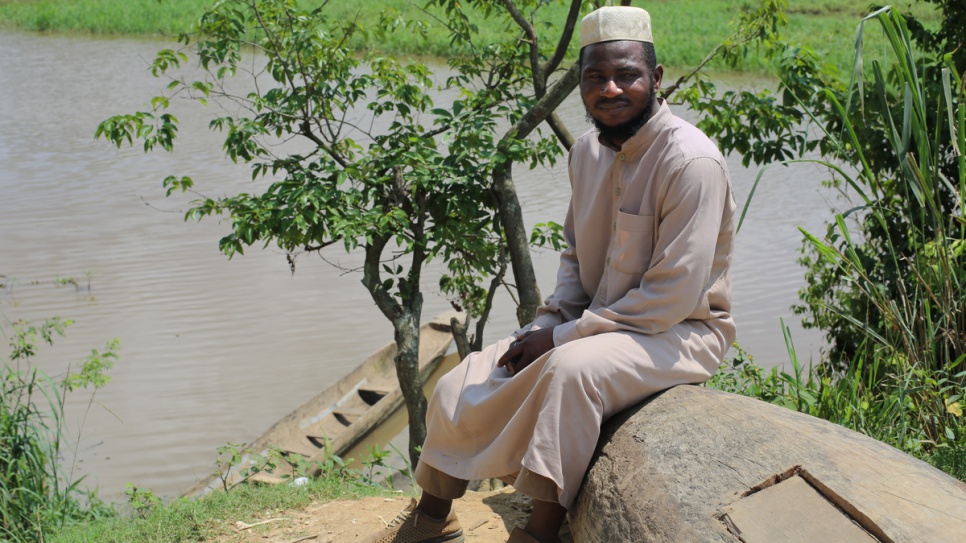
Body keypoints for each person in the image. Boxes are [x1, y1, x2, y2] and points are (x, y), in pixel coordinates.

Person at [359, 5, 736, 543]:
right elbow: (576, 260)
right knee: (460, 379)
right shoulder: (587, 153)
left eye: (626, 75)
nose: (610, 89)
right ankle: (431, 521)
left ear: (654, 79)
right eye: (594, 78)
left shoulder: (691, 162)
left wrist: (561, 337)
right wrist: (550, 321)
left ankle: (536, 534)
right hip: (592, 323)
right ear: (580, 86)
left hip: (680, 332)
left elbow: (670, 298)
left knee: (571, 373)